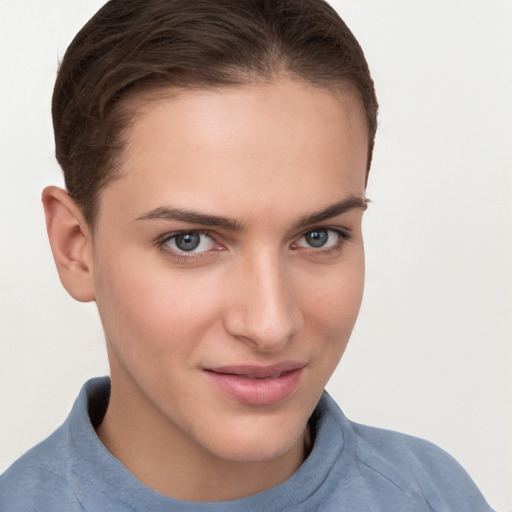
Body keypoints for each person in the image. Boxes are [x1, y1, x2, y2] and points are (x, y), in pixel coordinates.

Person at [0, 0, 497, 510]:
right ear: (75, 248)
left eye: (320, 236)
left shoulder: (436, 496)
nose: (270, 325)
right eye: (189, 241)